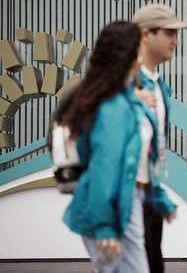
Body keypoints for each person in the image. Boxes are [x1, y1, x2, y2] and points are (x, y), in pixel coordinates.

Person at [61, 21, 157, 273]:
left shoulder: (120, 98)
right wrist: (105, 227)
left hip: (121, 207)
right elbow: (104, 168)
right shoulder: (113, 107)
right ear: (132, 54)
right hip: (111, 213)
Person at [131, 4, 187, 273]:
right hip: (125, 199)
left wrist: (159, 200)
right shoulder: (123, 83)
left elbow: (149, 153)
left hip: (148, 196)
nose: (175, 41)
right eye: (169, 33)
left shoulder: (159, 85)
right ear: (146, 35)